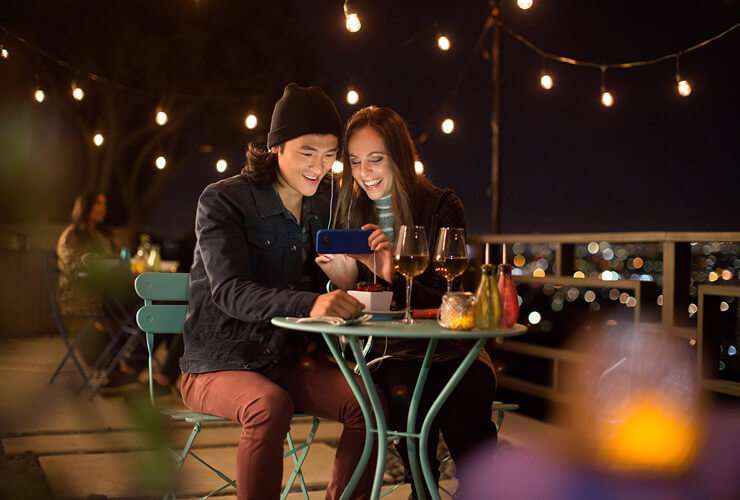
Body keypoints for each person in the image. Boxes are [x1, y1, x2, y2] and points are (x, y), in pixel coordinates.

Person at [179, 83, 379, 500]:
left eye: (329, 155)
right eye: (308, 152)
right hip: (217, 363)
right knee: (269, 405)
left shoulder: (323, 205)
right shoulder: (223, 200)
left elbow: (339, 276)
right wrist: (314, 302)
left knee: (370, 406)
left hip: (287, 361)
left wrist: (362, 264)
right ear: (276, 148)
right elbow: (230, 292)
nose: (319, 166)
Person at [318, 106, 498, 499]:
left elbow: (450, 297)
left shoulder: (439, 206)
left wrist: (389, 273)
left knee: (468, 407)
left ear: (399, 157)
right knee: (401, 402)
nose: (365, 173)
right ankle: (423, 490)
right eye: (355, 162)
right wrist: (347, 280)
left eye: (376, 159)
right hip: (389, 354)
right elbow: (362, 304)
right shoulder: (352, 209)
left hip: (451, 352)